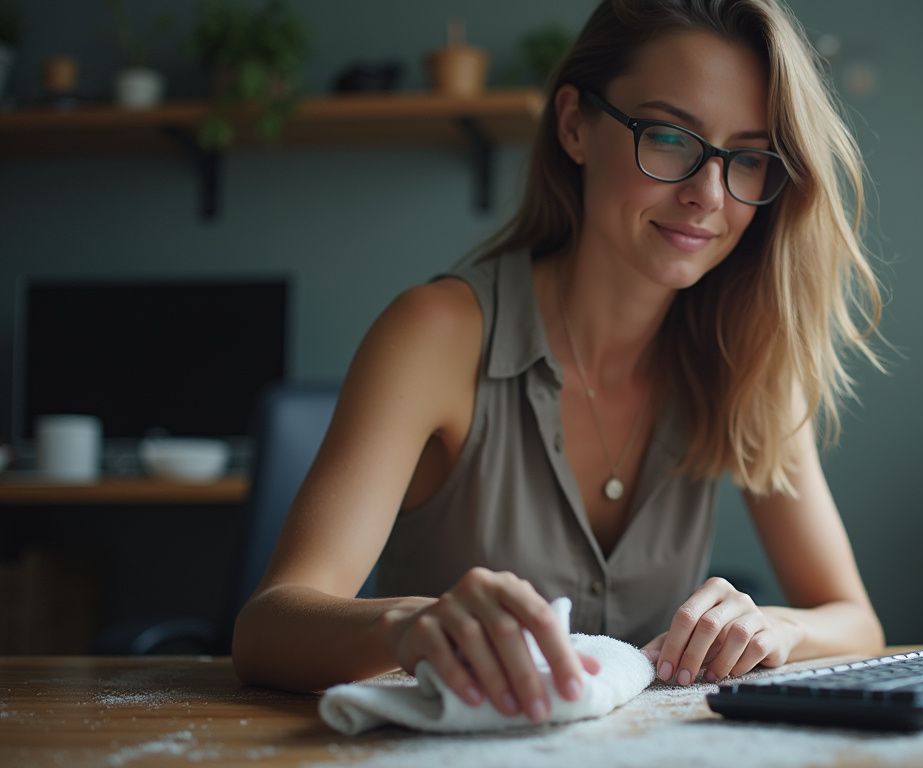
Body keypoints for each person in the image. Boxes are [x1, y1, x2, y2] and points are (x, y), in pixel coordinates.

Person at [232, 0, 887, 725]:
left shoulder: (744, 356)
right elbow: (267, 626)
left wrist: (781, 627)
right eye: (671, 138)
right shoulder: (434, 334)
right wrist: (412, 627)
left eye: (749, 157)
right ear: (575, 124)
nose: (708, 194)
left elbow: (854, 620)